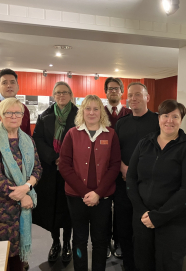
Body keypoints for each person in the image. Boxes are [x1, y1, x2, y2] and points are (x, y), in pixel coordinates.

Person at [126, 99, 186, 271]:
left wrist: (159, 216)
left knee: (168, 265)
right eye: (165, 115)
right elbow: (131, 179)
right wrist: (141, 211)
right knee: (142, 264)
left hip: (175, 222)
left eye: (175, 116)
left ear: (181, 120)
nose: (169, 120)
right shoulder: (145, 143)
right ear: (158, 118)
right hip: (143, 218)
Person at [59, 95, 121, 271]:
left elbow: (115, 165)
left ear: (101, 111)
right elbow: (64, 165)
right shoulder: (72, 133)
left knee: (100, 239)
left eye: (96, 109)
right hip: (76, 197)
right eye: (88, 108)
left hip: (103, 197)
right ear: (82, 111)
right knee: (79, 238)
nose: (92, 112)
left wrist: (98, 193)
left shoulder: (111, 134)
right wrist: (85, 192)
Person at [0, 98, 42, 271]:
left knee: (17, 257)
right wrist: (22, 196)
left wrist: (27, 188)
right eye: (9, 112)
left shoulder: (28, 141)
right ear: (1, 115)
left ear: (23, 116)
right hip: (0, 208)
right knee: (1, 255)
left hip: (22, 207)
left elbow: (37, 169)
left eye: (18, 113)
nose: (14, 116)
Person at [114, 82, 160, 271]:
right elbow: (114, 151)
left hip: (149, 187)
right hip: (123, 184)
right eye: (130, 95)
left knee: (146, 229)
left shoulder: (158, 121)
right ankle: (128, 265)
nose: (133, 99)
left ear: (147, 97)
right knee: (124, 229)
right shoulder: (121, 123)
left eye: (138, 95)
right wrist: (123, 167)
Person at [32, 81, 78, 263]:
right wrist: (54, 157)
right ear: (53, 95)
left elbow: (81, 138)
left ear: (71, 95)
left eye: (65, 92)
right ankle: (55, 242)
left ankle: (67, 243)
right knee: (51, 207)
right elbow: (38, 139)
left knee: (68, 208)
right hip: (50, 169)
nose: (61, 96)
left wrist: (64, 158)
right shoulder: (45, 115)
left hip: (71, 169)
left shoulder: (78, 115)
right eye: (58, 93)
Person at [103, 77, 132, 259]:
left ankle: (120, 242)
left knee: (122, 210)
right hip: (104, 171)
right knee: (104, 210)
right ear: (106, 92)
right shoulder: (100, 113)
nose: (113, 91)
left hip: (124, 172)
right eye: (110, 89)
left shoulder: (130, 113)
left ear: (122, 91)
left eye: (116, 88)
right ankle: (105, 243)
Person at [0, 68, 31, 140]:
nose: (9, 85)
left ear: (18, 86)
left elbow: (27, 134)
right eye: (4, 83)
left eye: (12, 82)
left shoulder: (24, 109)